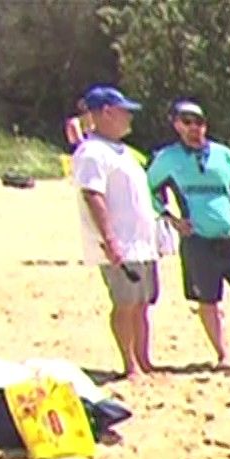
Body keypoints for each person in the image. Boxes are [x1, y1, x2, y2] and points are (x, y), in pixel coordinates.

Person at [148, 100, 230, 371]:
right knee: (208, 301)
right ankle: (223, 354)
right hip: (198, 243)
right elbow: (148, 190)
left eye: (199, 122)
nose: (194, 128)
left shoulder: (223, 155)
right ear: (176, 125)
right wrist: (171, 219)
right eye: (187, 121)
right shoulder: (167, 159)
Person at [71, 85, 160, 380]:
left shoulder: (123, 152)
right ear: (107, 113)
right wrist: (109, 239)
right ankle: (130, 364)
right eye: (124, 112)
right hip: (121, 242)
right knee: (125, 303)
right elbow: (92, 194)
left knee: (142, 303)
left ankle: (144, 360)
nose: (129, 118)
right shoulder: (92, 152)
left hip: (142, 243)